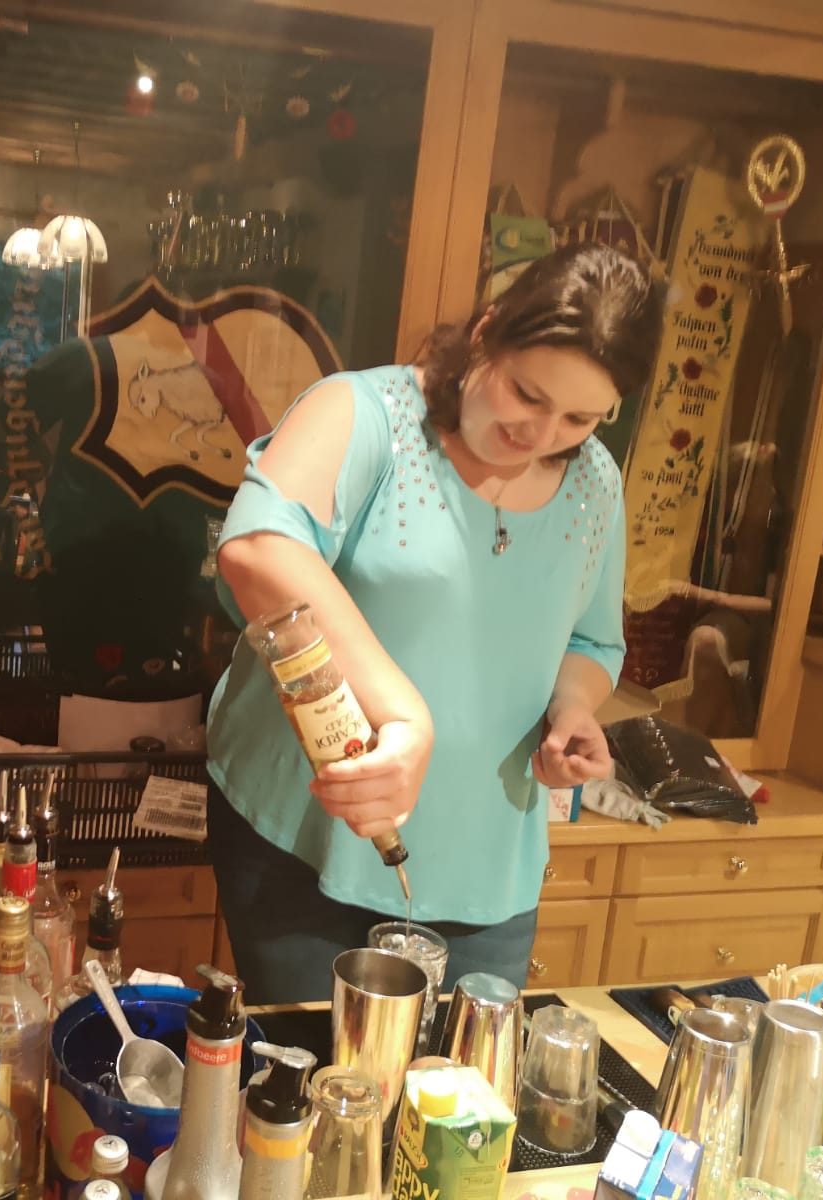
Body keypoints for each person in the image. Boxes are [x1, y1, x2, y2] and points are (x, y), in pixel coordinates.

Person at [207, 243, 664, 1002]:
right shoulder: (367, 415)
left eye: (581, 418)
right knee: (316, 1063)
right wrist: (404, 713)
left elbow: (591, 639)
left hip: (487, 866)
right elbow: (257, 549)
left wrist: (572, 708)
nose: (542, 434)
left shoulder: (595, 484)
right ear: (487, 332)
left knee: (461, 1074)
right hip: (306, 841)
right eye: (526, 393)